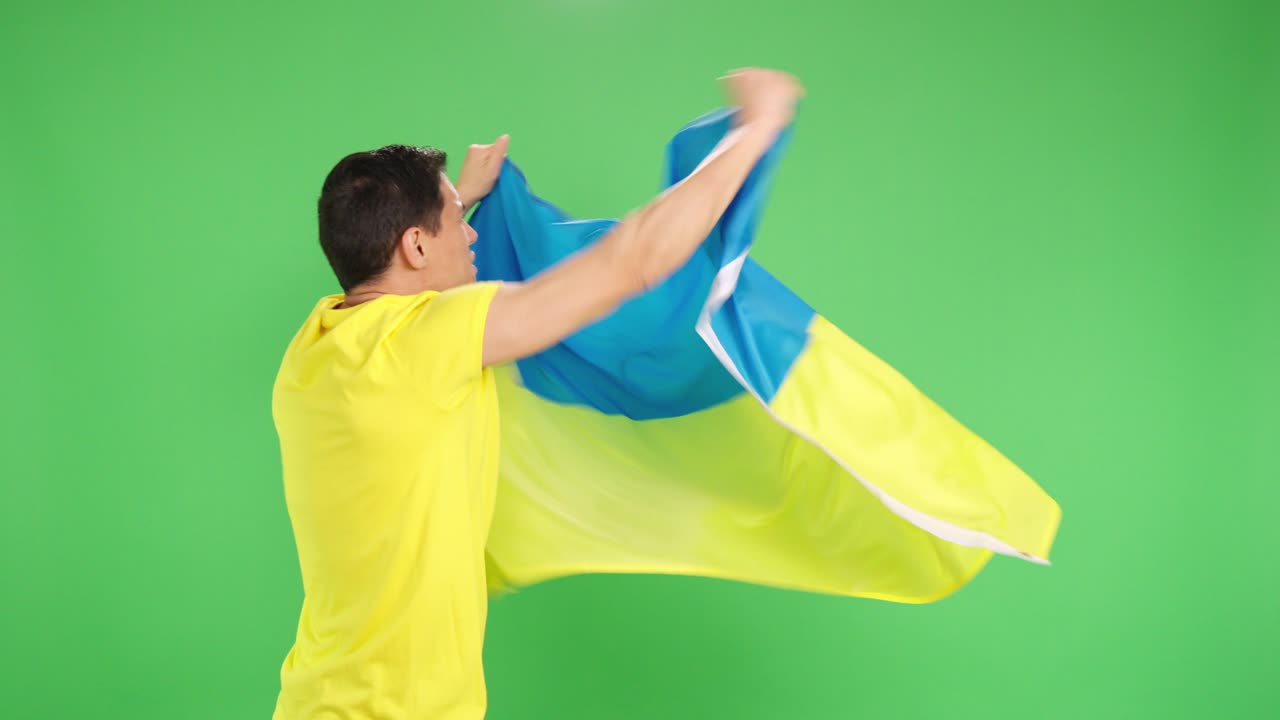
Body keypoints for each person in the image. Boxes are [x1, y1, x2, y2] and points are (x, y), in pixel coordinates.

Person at [270, 68, 806, 720]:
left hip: (315, 699)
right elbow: (630, 262)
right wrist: (754, 134)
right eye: (451, 224)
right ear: (414, 244)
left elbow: (399, 272)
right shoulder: (427, 340)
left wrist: (455, 197)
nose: (467, 234)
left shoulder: (317, 345)